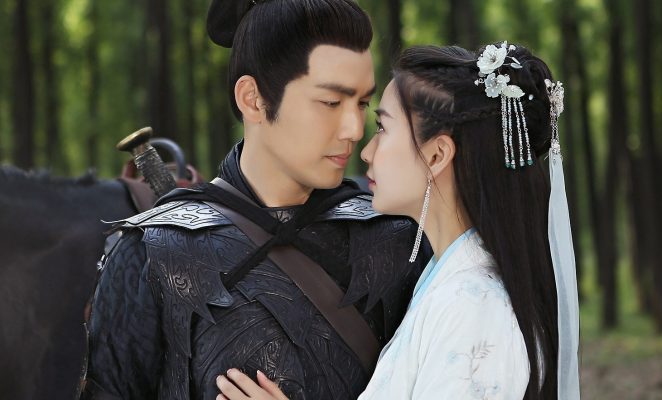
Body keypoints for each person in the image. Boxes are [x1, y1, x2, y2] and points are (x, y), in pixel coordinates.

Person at [79, 0, 427, 399]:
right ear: (253, 99)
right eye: (331, 102)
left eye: (362, 103)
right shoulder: (150, 253)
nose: (354, 128)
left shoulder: (400, 240)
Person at [217, 42, 581, 400]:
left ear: (436, 155)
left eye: (382, 128)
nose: (366, 151)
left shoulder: (472, 306)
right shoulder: (449, 279)